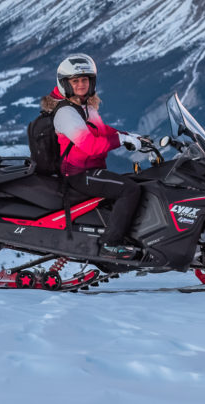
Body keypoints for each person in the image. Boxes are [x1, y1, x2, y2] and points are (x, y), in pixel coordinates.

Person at [42, 53, 142, 258]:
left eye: (85, 80)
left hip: (91, 169)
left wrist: (127, 136)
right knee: (129, 190)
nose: (81, 84)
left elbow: (101, 130)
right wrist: (121, 141)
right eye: (75, 81)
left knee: (137, 182)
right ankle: (110, 244)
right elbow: (90, 146)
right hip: (79, 174)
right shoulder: (66, 113)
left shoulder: (84, 106)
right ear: (65, 84)